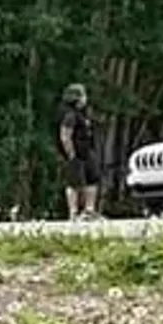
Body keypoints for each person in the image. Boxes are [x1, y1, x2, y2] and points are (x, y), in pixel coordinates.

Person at [55, 84, 102, 222]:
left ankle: (89, 210)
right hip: (75, 153)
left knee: (92, 179)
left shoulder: (82, 114)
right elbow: (65, 135)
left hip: (86, 151)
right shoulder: (70, 114)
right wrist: (70, 154)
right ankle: (73, 212)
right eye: (83, 96)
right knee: (74, 183)